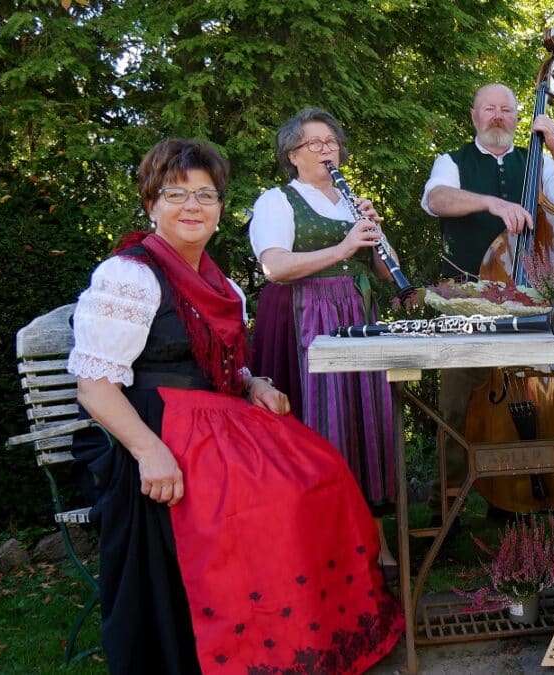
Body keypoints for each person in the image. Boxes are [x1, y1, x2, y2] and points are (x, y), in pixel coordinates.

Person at [68, 138, 403, 673]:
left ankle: (310, 639)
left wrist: (253, 382)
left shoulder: (217, 280)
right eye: (176, 195)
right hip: (160, 426)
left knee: (321, 471)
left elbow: (217, 360)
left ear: (221, 210)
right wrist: (150, 453)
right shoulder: (128, 276)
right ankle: (245, 649)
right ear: (151, 204)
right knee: (270, 504)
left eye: (205, 195)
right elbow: (96, 386)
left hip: (218, 415)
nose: (193, 207)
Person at [420, 82, 554, 520]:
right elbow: (436, 199)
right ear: (474, 115)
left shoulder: (537, 161)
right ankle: (445, 511)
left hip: (530, 300)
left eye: (506, 110)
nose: (497, 116)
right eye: (489, 109)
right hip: (468, 300)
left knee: (532, 401)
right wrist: (491, 203)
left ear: (517, 118)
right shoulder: (452, 161)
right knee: (457, 407)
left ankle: (522, 500)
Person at [249, 107, 399, 570]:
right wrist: (343, 247)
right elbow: (275, 268)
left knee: (366, 421)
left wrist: (377, 241)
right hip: (305, 317)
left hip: (358, 312)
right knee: (320, 424)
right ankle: (324, 543)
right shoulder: (277, 201)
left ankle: (376, 539)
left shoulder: (352, 202)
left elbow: (382, 271)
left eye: (331, 142)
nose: (326, 149)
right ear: (292, 154)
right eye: (315, 143)